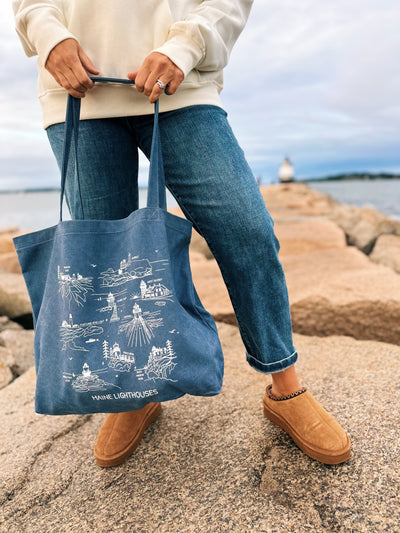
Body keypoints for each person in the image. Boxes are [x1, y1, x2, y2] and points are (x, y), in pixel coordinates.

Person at [12, 0, 350, 467]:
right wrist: (49, 37)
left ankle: (285, 389)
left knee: (246, 228)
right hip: (79, 93)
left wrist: (184, 45)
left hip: (180, 85)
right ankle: (134, 394)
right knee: (102, 261)